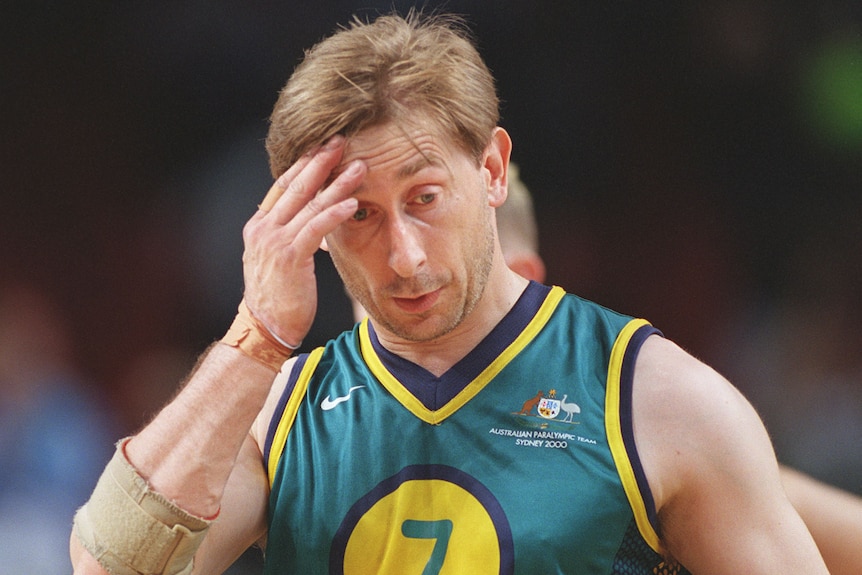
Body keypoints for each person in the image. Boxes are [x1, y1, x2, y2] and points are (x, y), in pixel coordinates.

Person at [71, 11, 831, 574]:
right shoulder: (279, 410)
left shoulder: (657, 398)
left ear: (493, 170)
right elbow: (107, 566)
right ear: (303, 221)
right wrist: (255, 338)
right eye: (359, 213)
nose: (402, 256)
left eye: (425, 196)